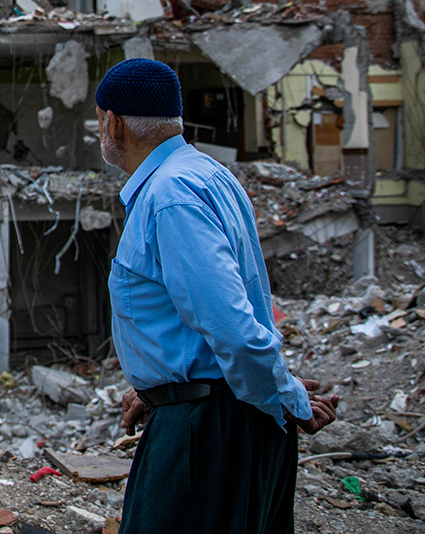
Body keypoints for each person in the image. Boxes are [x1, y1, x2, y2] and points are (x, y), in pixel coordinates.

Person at [96, 58, 340, 533]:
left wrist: (285, 393)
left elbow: (230, 323)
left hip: (207, 435)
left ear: (114, 123)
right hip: (215, 412)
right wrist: (164, 389)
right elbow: (208, 313)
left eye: (99, 119)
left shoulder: (170, 196)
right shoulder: (207, 174)